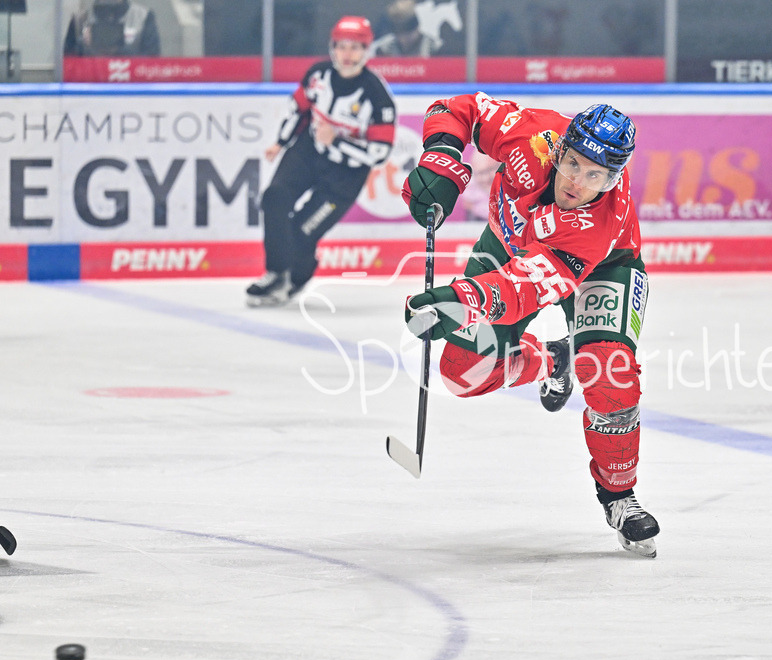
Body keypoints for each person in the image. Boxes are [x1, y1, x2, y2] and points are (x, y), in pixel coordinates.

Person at [400, 93, 660, 557]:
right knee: (462, 374)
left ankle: (619, 495)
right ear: (559, 150)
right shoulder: (530, 137)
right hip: (505, 245)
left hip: (605, 267)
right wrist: (441, 158)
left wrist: (461, 302)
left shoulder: (595, 224)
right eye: (575, 164)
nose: (578, 182)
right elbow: (459, 107)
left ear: (614, 178)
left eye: (596, 175)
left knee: (610, 373)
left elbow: (527, 287)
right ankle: (555, 359)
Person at [246, 16, 396, 307]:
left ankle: (297, 277)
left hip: (345, 176)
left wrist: (337, 141)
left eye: (356, 48)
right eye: (342, 47)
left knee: (303, 231)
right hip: (308, 152)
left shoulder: (377, 96)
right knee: (275, 196)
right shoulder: (318, 76)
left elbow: (380, 153)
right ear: (332, 48)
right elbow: (297, 108)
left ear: (366, 51)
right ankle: (275, 272)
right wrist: (281, 141)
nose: (348, 55)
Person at [64, 0, 161, 56]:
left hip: (131, 87)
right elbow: (67, 65)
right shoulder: (79, 21)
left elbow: (152, 62)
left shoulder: (143, 17)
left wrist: (119, 50)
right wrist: (83, 44)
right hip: (91, 86)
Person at [370, 0, 439, 57]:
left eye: (408, 34)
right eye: (400, 35)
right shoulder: (384, 49)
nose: (404, 39)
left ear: (417, 29)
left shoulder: (433, 48)